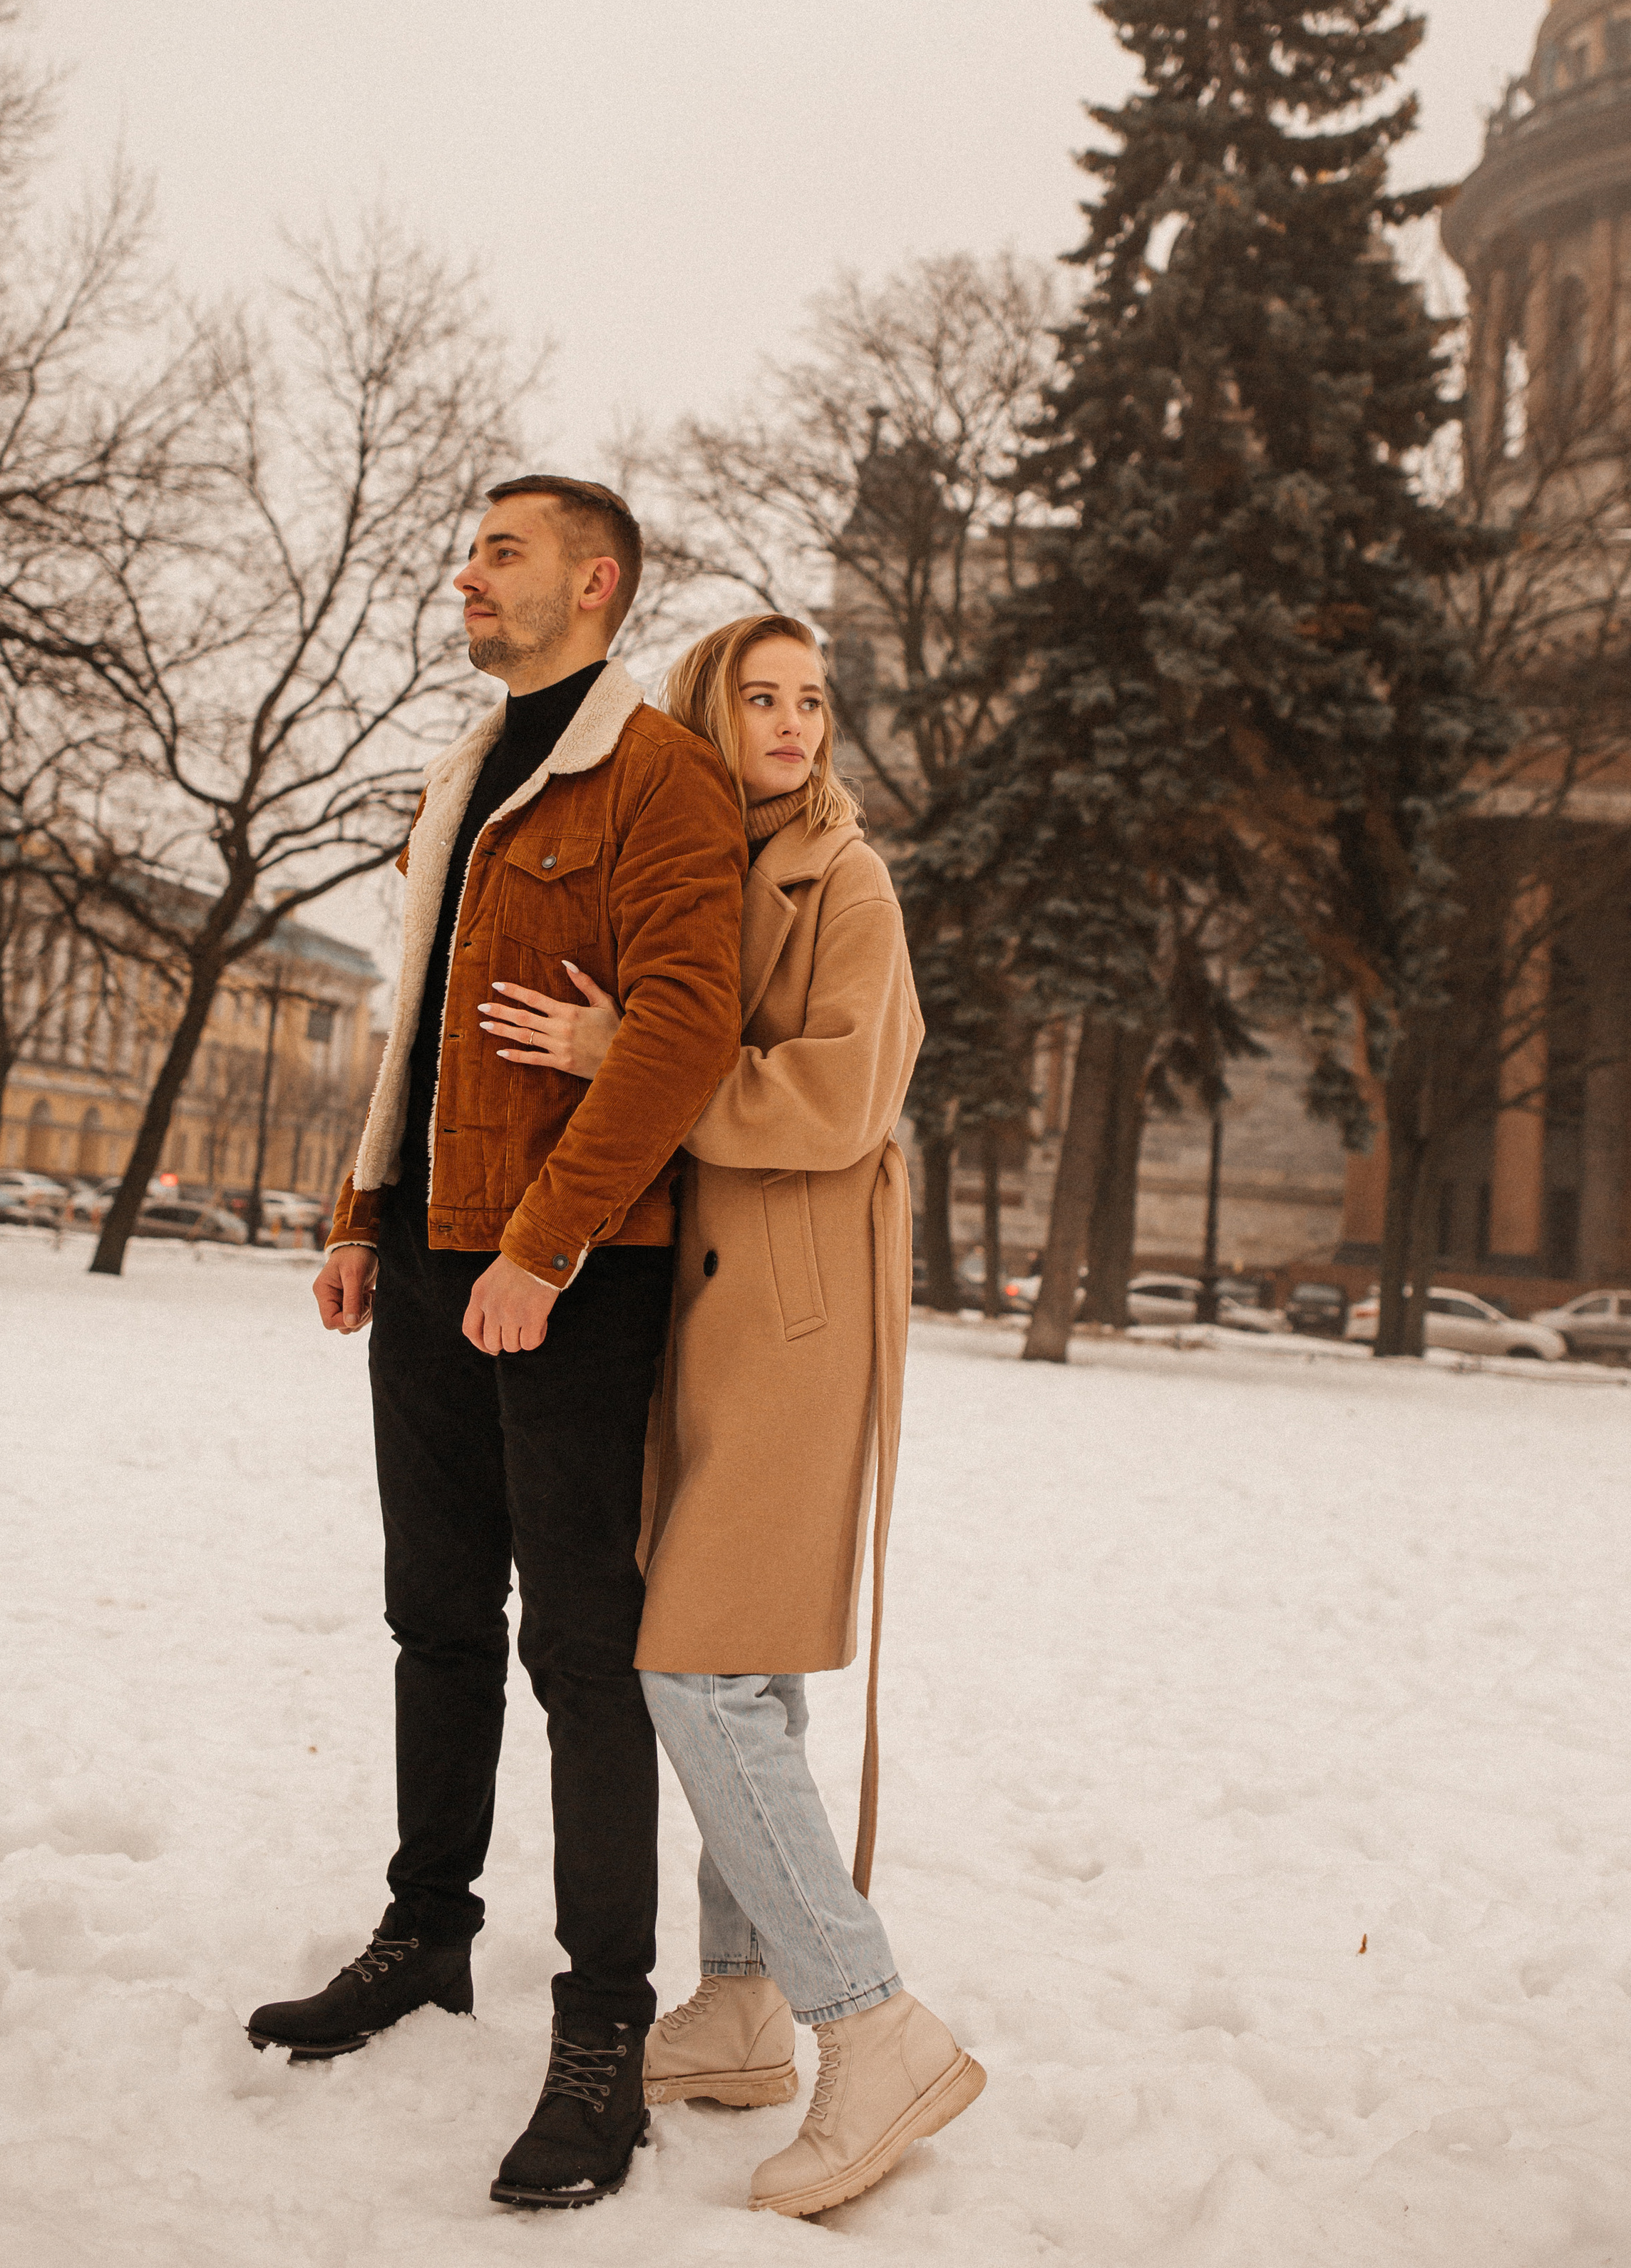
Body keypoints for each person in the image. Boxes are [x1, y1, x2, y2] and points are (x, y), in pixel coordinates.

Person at [247, 477, 746, 2215]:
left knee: (580, 1650)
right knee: (435, 1616)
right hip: (429, 1250)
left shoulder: (658, 776)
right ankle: (425, 1930)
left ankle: (602, 2026)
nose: (467, 574)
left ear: (594, 582)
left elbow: (683, 1027)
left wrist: (545, 1244)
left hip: (571, 1269)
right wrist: (359, 1209)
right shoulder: (467, 768)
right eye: (471, 552)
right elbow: (424, 1025)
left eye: (500, 551)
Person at [480, 611, 984, 2220]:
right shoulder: (708, 858)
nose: (791, 724)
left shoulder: (845, 879)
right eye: (760, 697)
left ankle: (870, 2021)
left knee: (692, 1668)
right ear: (710, 712)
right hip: (705, 1310)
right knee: (743, 1662)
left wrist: (633, 1052)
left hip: (795, 1311)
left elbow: (841, 1098)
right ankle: (742, 2003)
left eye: (812, 700)